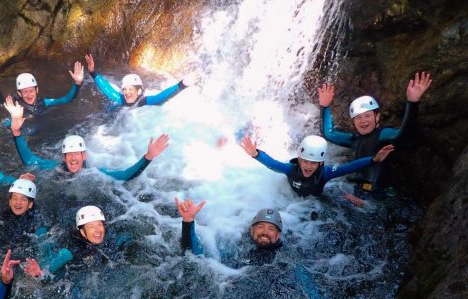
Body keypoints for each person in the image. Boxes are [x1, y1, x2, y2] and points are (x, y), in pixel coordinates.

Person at [317, 72, 432, 196]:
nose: (363, 121)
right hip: (356, 190)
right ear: (354, 122)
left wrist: (413, 103)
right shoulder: (354, 139)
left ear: (377, 117)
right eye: (358, 118)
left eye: (367, 116)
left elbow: (405, 134)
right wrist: (325, 106)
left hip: (378, 197)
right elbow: (329, 134)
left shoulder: (383, 135)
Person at [3, 97, 169, 181]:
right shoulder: (55, 168)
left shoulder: (94, 174)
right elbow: (29, 159)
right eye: (69, 154)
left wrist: (148, 157)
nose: (74, 158)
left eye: (77, 154)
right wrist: (16, 131)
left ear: (85, 156)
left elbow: (125, 176)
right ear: (63, 157)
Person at [240, 134, 394, 198]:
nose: (308, 166)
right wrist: (256, 154)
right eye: (305, 161)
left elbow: (349, 167)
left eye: (313, 163)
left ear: (320, 163)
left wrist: (373, 160)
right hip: (291, 201)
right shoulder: (290, 169)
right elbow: (273, 164)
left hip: (315, 201)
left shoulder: (325, 173)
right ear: (299, 160)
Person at [177, 198, 283, 264]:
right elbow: (195, 255)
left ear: (278, 235)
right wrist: (188, 221)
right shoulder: (235, 245)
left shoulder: (284, 256)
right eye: (260, 227)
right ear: (252, 231)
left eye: (271, 229)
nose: (265, 232)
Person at [84, 54, 197, 109]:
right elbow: (107, 88)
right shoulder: (121, 99)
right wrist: (93, 72)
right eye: (125, 89)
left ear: (138, 92)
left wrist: (182, 84)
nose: (127, 92)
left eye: (130, 89)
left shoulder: (145, 102)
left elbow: (162, 96)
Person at [12, 62, 84, 117]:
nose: (29, 95)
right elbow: (6, 125)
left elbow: (66, 99)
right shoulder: (16, 110)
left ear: (37, 90)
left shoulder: (43, 103)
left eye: (31, 91)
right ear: (19, 94)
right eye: (25, 92)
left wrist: (77, 83)